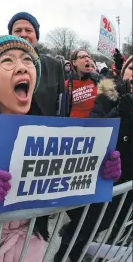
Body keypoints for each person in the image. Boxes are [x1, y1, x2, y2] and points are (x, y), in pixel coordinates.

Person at [0, 35, 121, 262]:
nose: (21, 67)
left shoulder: (50, 135)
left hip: (31, 251)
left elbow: (66, 186)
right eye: (8, 61)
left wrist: (97, 171)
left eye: (27, 60)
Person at [54, 57, 131, 262]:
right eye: (131, 68)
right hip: (103, 177)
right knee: (85, 228)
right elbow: (95, 128)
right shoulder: (107, 94)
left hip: (128, 188)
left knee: (117, 234)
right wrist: (120, 112)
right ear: (123, 73)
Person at [8, 12, 66, 116]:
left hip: (46, 129)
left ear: (36, 36)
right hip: (11, 128)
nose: (23, 34)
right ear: (11, 36)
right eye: (17, 31)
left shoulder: (54, 65)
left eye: (28, 30)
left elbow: (62, 105)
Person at [65, 49, 102, 118]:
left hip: (96, 125)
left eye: (88, 57)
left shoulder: (99, 81)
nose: (87, 59)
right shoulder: (66, 84)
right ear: (74, 62)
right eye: (82, 57)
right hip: (74, 126)